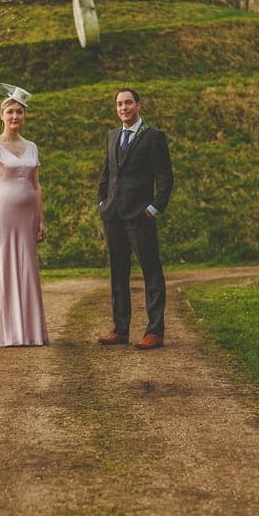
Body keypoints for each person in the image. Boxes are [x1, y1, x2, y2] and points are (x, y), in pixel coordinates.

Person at [97, 88, 174, 350]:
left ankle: (155, 332)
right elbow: (107, 174)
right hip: (113, 216)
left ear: (138, 105)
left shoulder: (153, 137)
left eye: (128, 103)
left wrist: (155, 208)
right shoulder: (112, 136)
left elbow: (165, 177)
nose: (123, 107)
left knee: (151, 272)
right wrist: (102, 202)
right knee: (118, 273)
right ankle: (120, 329)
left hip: (140, 216)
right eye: (119, 104)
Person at [0, 83, 49, 347]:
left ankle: (29, 331)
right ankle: (5, 331)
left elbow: (36, 185)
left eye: (19, 112)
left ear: (24, 115)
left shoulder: (32, 147)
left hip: (28, 216)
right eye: (10, 112)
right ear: (1, 116)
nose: (15, 116)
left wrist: (41, 219)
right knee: (4, 265)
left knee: (27, 267)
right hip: (3, 215)